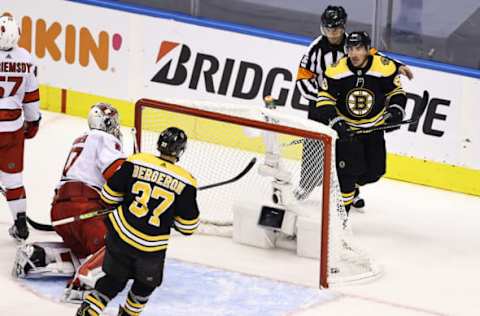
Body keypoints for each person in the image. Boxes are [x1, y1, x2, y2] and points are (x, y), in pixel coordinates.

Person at [295, 5, 413, 209]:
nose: (333, 32)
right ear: (323, 27)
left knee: (349, 153)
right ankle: (307, 184)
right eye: (329, 28)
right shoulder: (315, 50)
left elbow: (376, 57)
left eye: (337, 27)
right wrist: (325, 100)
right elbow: (302, 80)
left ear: (343, 27)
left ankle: (348, 188)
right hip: (321, 105)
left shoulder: (352, 44)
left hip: (344, 106)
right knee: (315, 146)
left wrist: (397, 65)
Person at [76, 127, 200, 316]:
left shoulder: (137, 161)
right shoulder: (187, 182)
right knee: (144, 287)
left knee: (112, 281)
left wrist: (128, 198)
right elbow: (188, 227)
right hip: (150, 247)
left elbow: (108, 196)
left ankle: (90, 310)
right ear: (181, 150)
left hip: (120, 236)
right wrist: (171, 215)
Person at [14, 103, 125, 284]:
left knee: (84, 251)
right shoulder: (105, 138)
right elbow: (115, 174)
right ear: (105, 122)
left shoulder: (81, 139)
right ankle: (83, 280)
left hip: (59, 212)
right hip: (84, 209)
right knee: (118, 248)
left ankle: (39, 255)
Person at [312, 31, 407, 214]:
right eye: (350, 49)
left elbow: (396, 92)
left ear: (367, 50)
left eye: (358, 49)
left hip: (374, 129)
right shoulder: (335, 70)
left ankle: (351, 188)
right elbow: (323, 101)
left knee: (375, 172)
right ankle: (339, 222)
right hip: (348, 132)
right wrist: (338, 123)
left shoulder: (383, 67)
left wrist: (395, 110)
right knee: (348, 175)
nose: (354, 54)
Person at [0, 13, 41, 241]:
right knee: (13, 181)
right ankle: (20, 222)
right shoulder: (26, 57)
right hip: (12, 129)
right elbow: (31, 96)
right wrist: (33, 121)